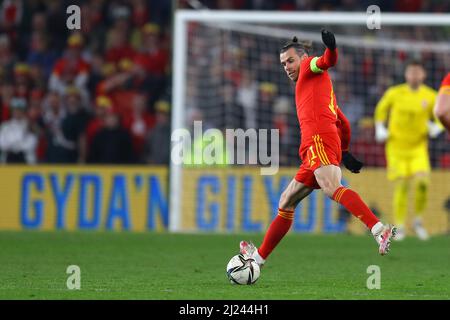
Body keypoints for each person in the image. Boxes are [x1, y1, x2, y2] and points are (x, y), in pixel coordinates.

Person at [240, 30, 396, 267]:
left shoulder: (310, 67)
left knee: (331, 187)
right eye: (283, 63)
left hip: (318, 140)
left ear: (302, 59)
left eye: (290, 61)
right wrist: (344, 152)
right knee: (286, 201)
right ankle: (258, 260)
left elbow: (327, 61)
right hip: (318, 144)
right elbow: (343, 122)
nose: (287, 67)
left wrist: (331, 48)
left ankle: (378, 228)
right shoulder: (323, 89)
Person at [374, 60, 440, 240]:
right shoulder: (394, 93)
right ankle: (400, 226)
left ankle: (418, 222)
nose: (414, 75)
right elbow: (381, 109)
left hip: (418, 148)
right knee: (402, 184)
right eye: (411, 72)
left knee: (423, 184)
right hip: (396, 147)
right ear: (406, 75)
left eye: (418, 72)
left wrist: (438, 127)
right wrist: (380, 127)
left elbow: (441, 114)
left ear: (423, 75)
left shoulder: (431, 96)